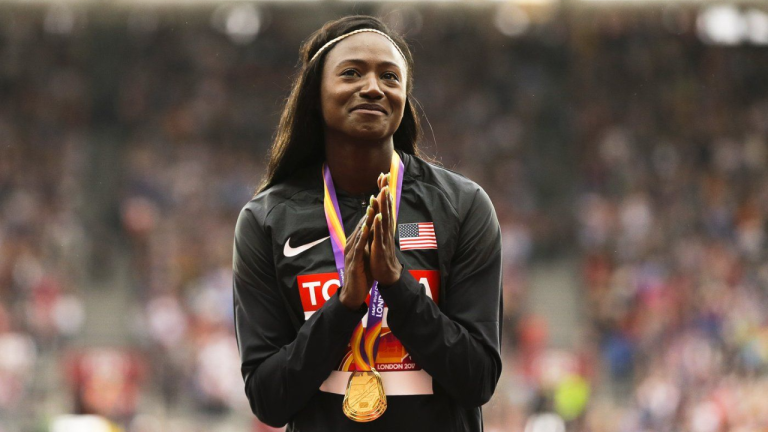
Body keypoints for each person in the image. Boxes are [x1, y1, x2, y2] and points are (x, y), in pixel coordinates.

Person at [233, 15, 502, 431]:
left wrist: (397, 285)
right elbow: (268, 400)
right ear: (315, 93)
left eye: (390, 76)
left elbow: (478, 379)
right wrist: (344, 305)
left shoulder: (462, 206)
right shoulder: (267, 219)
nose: (374, 87)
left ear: (404, 97)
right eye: (352, 73)